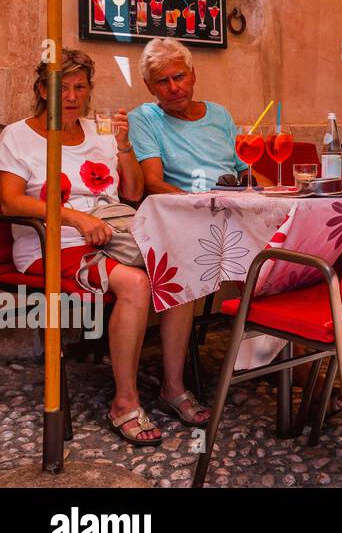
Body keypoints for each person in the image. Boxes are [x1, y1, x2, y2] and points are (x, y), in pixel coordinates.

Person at [0, 50, 208, 444]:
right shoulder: (18, 136)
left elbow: (131, 192)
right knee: (135, 284)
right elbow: (8, 201)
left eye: (81, 87)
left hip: (112, 237)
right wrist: (74, 217)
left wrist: (124, 145)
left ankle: (173, 388)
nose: (73, 96)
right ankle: (125, 403)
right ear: (44, 89)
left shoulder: (99, 134)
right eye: (64, 87)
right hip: (51, 246)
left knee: (180, 272)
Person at [128, 38, 244, 194]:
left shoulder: (220, 113)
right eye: (162, 81)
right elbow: (153, 184)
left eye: (179, 77)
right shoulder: (143, 118)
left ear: (193, 75)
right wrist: (199, 205)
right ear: (149, 86)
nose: (173, 88)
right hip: (187, 211)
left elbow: (246, 171)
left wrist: (281, 197)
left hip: (236, 206)